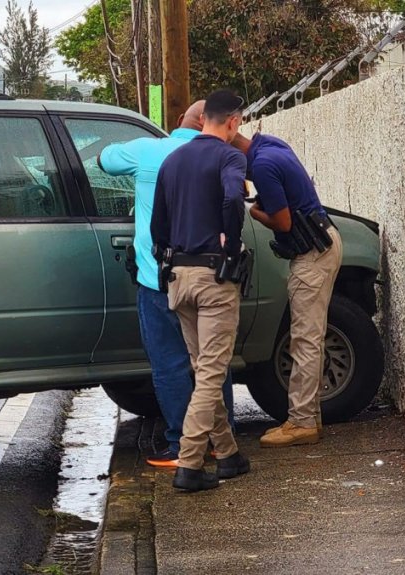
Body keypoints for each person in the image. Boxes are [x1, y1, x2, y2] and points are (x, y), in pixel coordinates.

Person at [98, 101, 236, 469]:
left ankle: (180, 444)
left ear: (179, 123)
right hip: (210, 275)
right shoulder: (223, 156)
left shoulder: (150, 151)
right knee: (211, 364)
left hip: (159, 278)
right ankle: (221, 443)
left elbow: (104, 160)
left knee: (170, 365)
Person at [150, 89, 252, 492]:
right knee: (212, 371)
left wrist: (166, 253)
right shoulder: (231, 157)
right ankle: (190, 463)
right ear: (233, 121)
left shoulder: (172, 160)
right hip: (214, 278)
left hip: (178, 278)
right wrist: (230, 237)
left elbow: (158, 224)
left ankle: (227, 454)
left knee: (204, 366)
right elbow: (233, 196)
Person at [233, 131, 343, 447]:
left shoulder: (264, 165)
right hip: (322, 242)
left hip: (311, 253)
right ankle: (310, 417)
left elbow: (281, 222)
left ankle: (302, 422)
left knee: (305, 339)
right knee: (311, 336)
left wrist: (254, 210)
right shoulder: (270, 145)